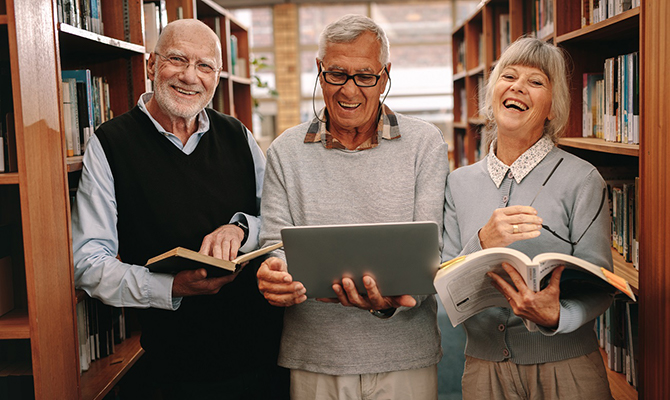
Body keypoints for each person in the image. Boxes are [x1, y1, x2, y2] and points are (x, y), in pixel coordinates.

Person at [72, 19, 287, 399]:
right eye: (177, 60)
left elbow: (279, 219)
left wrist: (240, 229)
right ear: (151, 65)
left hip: (263, 357)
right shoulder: (110, 145)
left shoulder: (239, 137)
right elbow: (88, 263)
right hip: (173, 369)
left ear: (217, 76)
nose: (190, 76)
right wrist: (170, 287)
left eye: (204, 66)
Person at [256, 14, 449, 400]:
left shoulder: (425, 144)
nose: (350, 90)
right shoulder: (285, 151)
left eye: (365, 76)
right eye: (337, 74)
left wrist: (389, 301)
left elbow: (434, 255)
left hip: (404, 355)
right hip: (316, 356)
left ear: (385, 75)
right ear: (319, 71)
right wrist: (271, 274)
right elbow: (274, 247)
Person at [441, 37, 614, 399]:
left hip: (567, 369)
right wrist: (483, 242)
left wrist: (557, 316)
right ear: (493, 94)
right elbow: (446, 282)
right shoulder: (458, 182)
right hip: (483, 370)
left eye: (536, 81)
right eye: (509, 76)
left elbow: (601, 284)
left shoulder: (582, 179)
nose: (518, 86)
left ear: (552, 108)